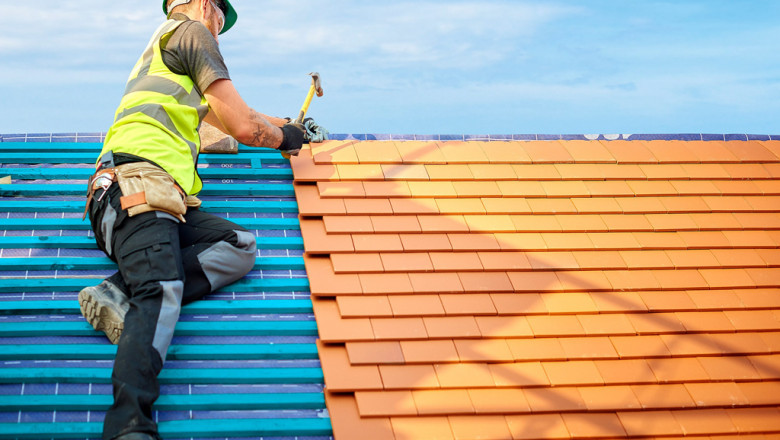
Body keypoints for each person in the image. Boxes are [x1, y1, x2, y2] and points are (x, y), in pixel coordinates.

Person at [78, 1, 309, 439]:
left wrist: (288, 126)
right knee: (161, 288)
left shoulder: (165, 51)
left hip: (150, 196)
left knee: (239, 247)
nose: (219, 30)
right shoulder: (192, 32)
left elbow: (223, 120)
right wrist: (286, 138)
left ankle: (120, 287)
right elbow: (243, 126)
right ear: (206, 5)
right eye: (221, 19)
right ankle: (129, 425)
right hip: (137, 186)